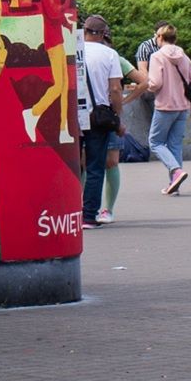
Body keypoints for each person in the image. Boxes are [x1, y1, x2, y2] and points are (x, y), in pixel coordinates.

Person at [75, 16, 133, 229]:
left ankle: (67, 212)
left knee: (73, 166)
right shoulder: (109, 54)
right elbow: (116, 89)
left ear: (84, 30)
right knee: (95, 166)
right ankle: (89, 216)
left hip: (72, 116)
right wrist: (117, 118)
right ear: (103, 34)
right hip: (98, 118)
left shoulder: (73, 51)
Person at [138, 23, 191, 195]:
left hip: (165, 106)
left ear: (160, 37)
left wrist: (145, 85)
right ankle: (174, 185)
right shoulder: (185, 57)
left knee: (155, 142)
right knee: (175, 145)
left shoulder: (157, 57)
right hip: (183, 107)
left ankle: (176, 170)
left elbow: (156, 83)